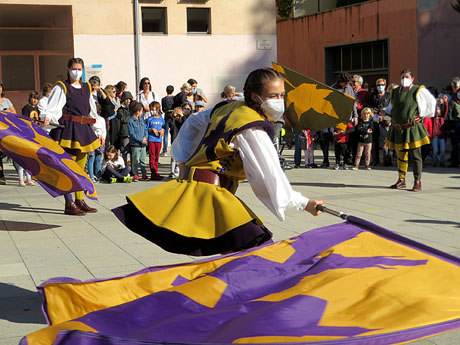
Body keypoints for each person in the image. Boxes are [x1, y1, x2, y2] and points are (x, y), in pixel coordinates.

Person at [113, 68, 324, 256]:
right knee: (255, 245)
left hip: (200, 189)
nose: (279, 100)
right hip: (208, 195)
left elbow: (194, 122)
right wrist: (303, 203)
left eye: (281, 95)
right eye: (273, 95)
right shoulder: (251, 127)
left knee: (237, 251)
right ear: (255, 96)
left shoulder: (230, 108)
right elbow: (269, 173)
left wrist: (184, 158)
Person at [43, 57, 105, 215]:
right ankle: (69, 203)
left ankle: (79, 200)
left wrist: (98, 130)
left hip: (84, 130)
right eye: (74, 69)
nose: (76, 72)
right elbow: (53, 107)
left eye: (79, 69)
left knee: (80, 168)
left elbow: (92, 111)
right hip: (67, 130)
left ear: (83, 70)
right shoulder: (62, 87)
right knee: (67, 167)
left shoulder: (87, 87)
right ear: (68, 69)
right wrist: (48, 117)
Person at [385, 68, 436, 191]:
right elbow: (393, 108)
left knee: (415, 156)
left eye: (407, 77)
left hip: (412, 128)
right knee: (401, 155)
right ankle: (401, 180)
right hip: (398, 128)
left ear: (412, 78)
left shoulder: (418, 90)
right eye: (402, 77)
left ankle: (417, 181)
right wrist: (386, 113)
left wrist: (422, 114)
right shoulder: (395, 91)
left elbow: (431, 102)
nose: (404, 79)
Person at [370, 78, 391, 165]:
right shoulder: (373, 96)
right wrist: (378, 113)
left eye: (382, 85)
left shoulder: (388, 95)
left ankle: (387, 160)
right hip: (376, 119)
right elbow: (371, 107)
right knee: (375, 140)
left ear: (385, 85)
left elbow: (391, 107)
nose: (380, 87)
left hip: (386, 119)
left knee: (386, 140)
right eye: (378, 85)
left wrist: (388, 117)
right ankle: (375, 160)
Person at [128, 101, 148, 182]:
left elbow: (145, 129)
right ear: (137, 112)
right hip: (135, 144)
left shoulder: (141, 120)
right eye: (141, 111)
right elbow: (132, 133)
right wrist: (140, 139)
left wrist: (145, 137)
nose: (142, 112)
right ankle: (135, 174)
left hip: (143, 144)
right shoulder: (131, 121)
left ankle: (144, 173)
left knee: (143, 160)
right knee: (135, 160)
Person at [145, 101, 165, 180]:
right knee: (152, 156)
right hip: (151, 140)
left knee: (157, 156)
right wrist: (151, 129)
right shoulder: (149, 119)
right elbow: (146, 128)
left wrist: (162, 130)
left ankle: (156, 171)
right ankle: (153, 172)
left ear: (158, 109)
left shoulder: (161, 119)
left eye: (153, 109)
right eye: (151, 109)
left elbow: (164, 127)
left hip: (159, 140)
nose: (152, 111)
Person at [167, 107, 186, 179]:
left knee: (180, 157)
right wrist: (173, 116)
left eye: (179, 115)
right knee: (173, 157)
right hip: (174, 140)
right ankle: (172, 171)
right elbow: (171, 125)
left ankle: (178, 170)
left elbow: (185, 124)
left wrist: (182, 116)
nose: (178, 116)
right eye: (176, 114)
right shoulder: (173, 121)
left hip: (182, 140)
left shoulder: (183, 121)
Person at [117, 91, 133, 166]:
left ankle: (132, 166)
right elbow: (123, 119)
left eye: (129, 99)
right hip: (125, 133)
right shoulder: (120, 110)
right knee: (125, 151)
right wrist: (130, 117)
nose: (128, 101)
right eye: (126, 99)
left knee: (132, 151)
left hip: (132, 132)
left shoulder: (132, 109)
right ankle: (125, 166)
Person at [161, 85, 174, 156]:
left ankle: (165, 151)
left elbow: (163, 109)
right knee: (173, 133)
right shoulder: (174, 98)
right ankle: (173, 149)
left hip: (166, 116)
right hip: (173, 117)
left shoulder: (164, 99)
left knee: (165, 134)